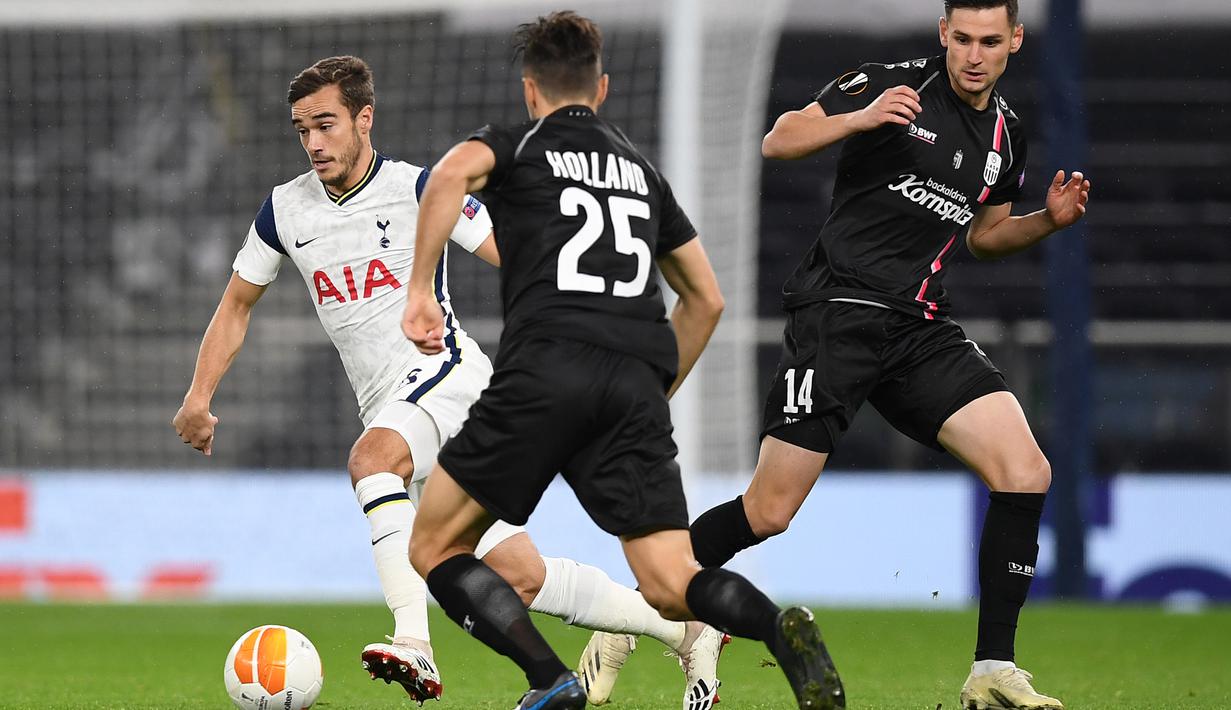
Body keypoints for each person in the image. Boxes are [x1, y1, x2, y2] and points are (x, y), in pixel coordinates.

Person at [171, 55, 727, 707]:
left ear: (364, 119)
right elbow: (237, 305)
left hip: (448, 378)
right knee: (521, 577)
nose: (313, 143)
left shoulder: (421, 189)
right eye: (302, 130)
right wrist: (198, 396)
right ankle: (688, 631)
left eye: (326, 125)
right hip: (392, 404)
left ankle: (414, 641)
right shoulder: (284, 211)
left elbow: (517, 256)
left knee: (372, 462)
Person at [590, 2, 1087, 709]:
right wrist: (859, 119)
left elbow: (985, 235)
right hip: (839, 312)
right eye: (961, 39)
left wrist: (1047, 221)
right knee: (768, 511)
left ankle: (991, 671)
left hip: (918, 326)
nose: (973, 55)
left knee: (1026, 470)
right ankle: (626, 613)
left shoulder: (1007, 134)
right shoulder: (892, 85)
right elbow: (780, 138)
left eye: (988, 41)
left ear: (1014, 41)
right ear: (943, 33)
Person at [401, 12, 845, 710]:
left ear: (530, 90)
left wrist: (421, 291)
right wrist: (650, 393)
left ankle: (549, 679)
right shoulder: (642, 172)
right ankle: (774, 626)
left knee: (432, 544)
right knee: (670, 579)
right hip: (632, 382)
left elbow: (450, 174)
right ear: (601, 88)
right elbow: (705, 300)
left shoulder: (519, 144)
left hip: (544, 367)